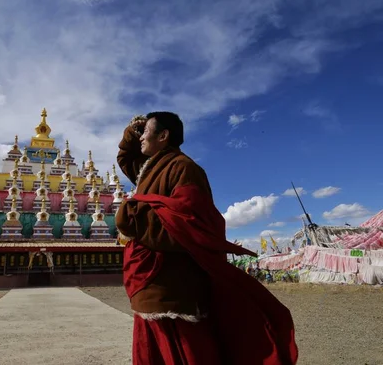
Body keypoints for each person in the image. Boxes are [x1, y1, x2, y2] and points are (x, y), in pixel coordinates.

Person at [115, 112, 298, 365]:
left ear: (164, 136)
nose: (141, 137)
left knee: (184, 352)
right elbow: (126, 158)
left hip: (170, 280)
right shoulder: (150, 168)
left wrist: (130, 215)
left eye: (146, 131)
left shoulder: (183, 168)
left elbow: (190, 224)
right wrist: (130, 132)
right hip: (148, 279)